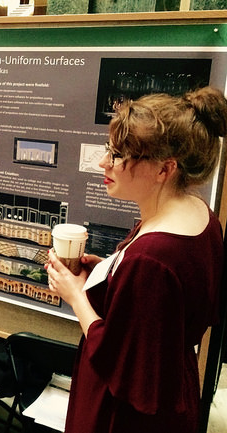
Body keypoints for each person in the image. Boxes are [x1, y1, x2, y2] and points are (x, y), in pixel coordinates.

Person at [45, 87, 227, 433]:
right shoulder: (202, 216)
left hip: (125, 413)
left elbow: (121, 360)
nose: (104, 163)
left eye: (119, 154)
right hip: (173, 387)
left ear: (164, 169)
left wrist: (76, 295)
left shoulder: (151, 259)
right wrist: (107, 270)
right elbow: (166, 309)